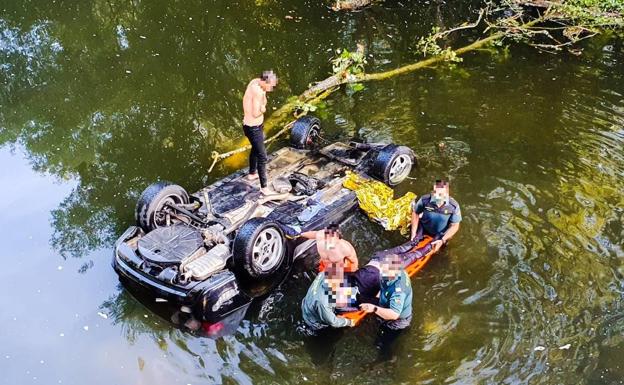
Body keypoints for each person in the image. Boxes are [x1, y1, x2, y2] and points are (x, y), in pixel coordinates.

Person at [359, 253, 413, 357]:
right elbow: (383, 285)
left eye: (385, 271)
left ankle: (385, 359)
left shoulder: (398, 291)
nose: (381, 272)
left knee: (382, 344)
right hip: (385, 304)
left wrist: (374, 308)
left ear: (393, 273)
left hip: (397, 321)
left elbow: (394, 314)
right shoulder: (389, 272)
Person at [242, 70, 278, 195]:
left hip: (251, 126)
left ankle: (252, 173)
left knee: (255, 149)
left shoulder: (255, 82)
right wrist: (263, 108)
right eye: (270, 86)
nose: (272, 89)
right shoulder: (257, 92)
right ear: (264, 81)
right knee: (262, 156)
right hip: (253, 128)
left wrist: (263, 97)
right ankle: (264, 188)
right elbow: (255, 113)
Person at [301, 262, 357, 333]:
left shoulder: (323, 274)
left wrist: (353, 290)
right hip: (312, 320)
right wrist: (348, 322)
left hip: (308, 302)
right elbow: (333, 322)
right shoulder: (323, 303)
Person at [410, 179, 462, 254]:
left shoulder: (453, 206)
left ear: (447, 194)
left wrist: (442, 240)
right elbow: (415, 213)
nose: (438, 196)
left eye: (442, 194)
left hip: (440, 233)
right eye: (435, 193)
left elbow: (455, 225)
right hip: (424, 228)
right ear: (433, 192)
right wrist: (413, 233)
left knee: (437, 251)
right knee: (413, 243)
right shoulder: (425, 200)